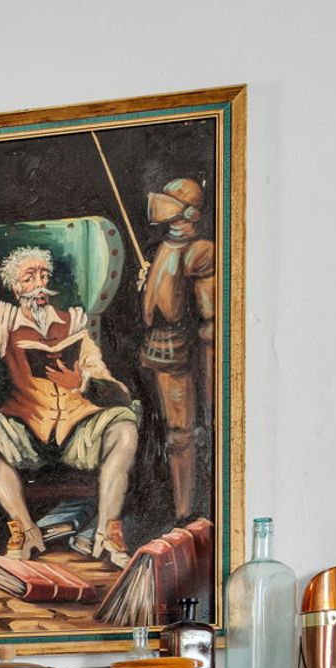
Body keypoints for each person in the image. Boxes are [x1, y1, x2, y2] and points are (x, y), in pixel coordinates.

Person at [0, 176, 143, 568]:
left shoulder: (74, 320)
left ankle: (108, 532)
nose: (39, 283)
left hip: (77, 431)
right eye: (29, 277)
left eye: (42, 275)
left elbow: (115, 388)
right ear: (15, 286)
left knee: (124, 428)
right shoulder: (4, 319)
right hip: (25, 430)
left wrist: (83, 382)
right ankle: (25, 528)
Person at [136, 177, 218, 522]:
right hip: (161, 346)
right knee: (174, 434)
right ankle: (182, 511)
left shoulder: (200, 251)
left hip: (184, 347)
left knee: (187, 432)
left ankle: (191, 511)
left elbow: (211, 317)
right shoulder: (164, 247)